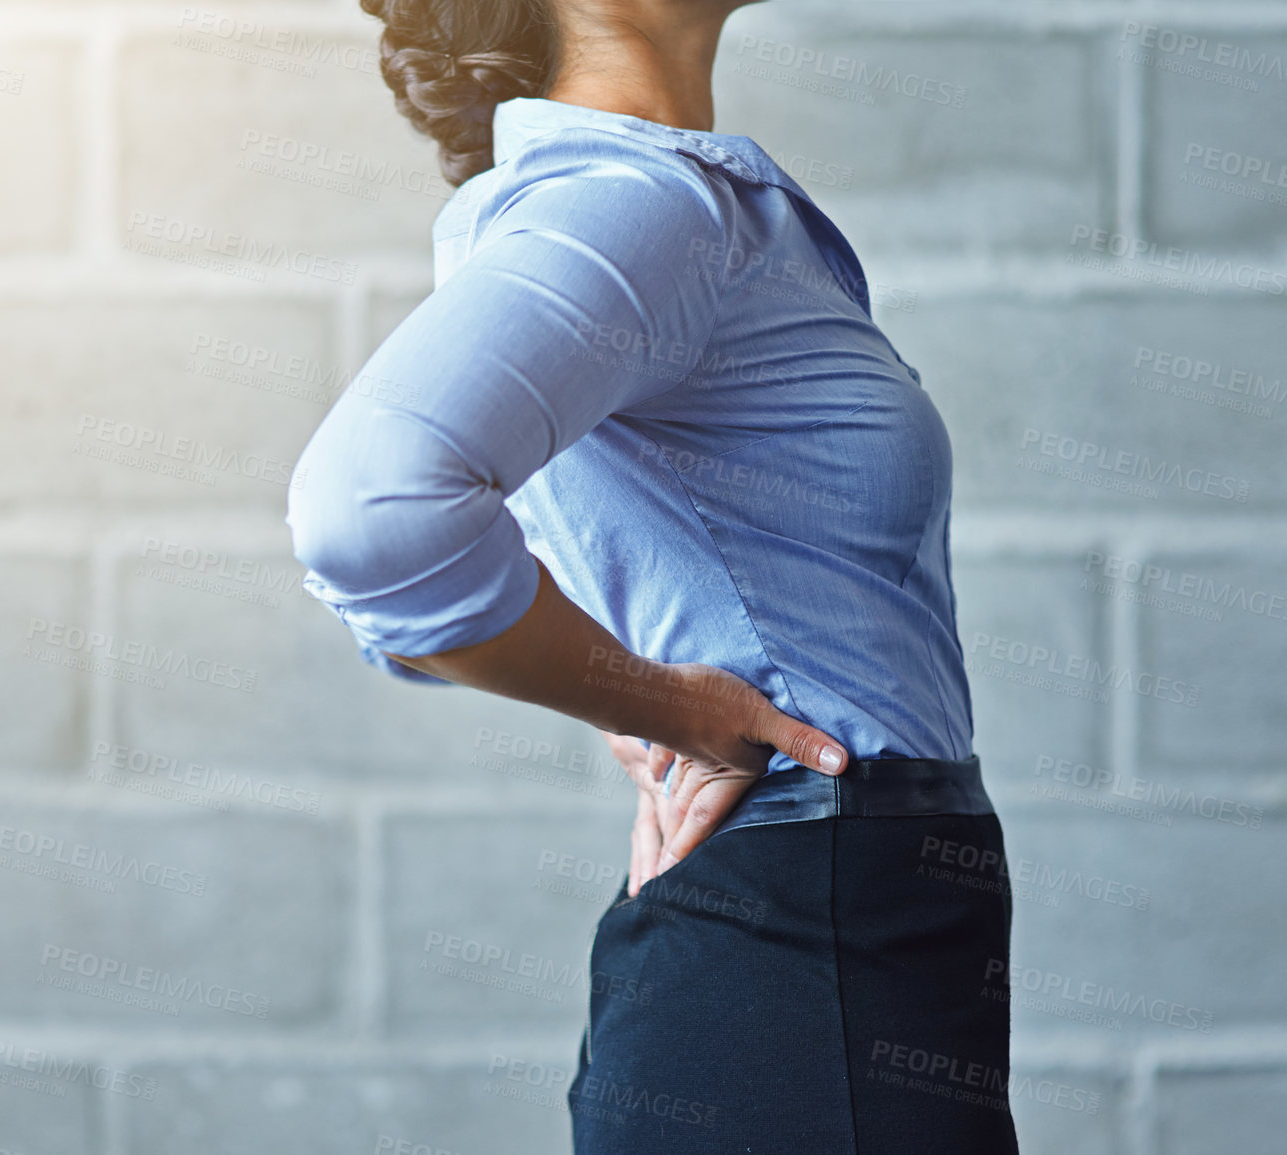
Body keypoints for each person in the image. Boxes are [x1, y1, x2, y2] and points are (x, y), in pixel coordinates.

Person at [286, 1, 1020, 1150]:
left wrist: (636, 680)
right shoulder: (637, 201)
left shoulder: (675, 201)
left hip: (838, 919)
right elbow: (369, 512)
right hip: (807, 926)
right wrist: (661, 701)